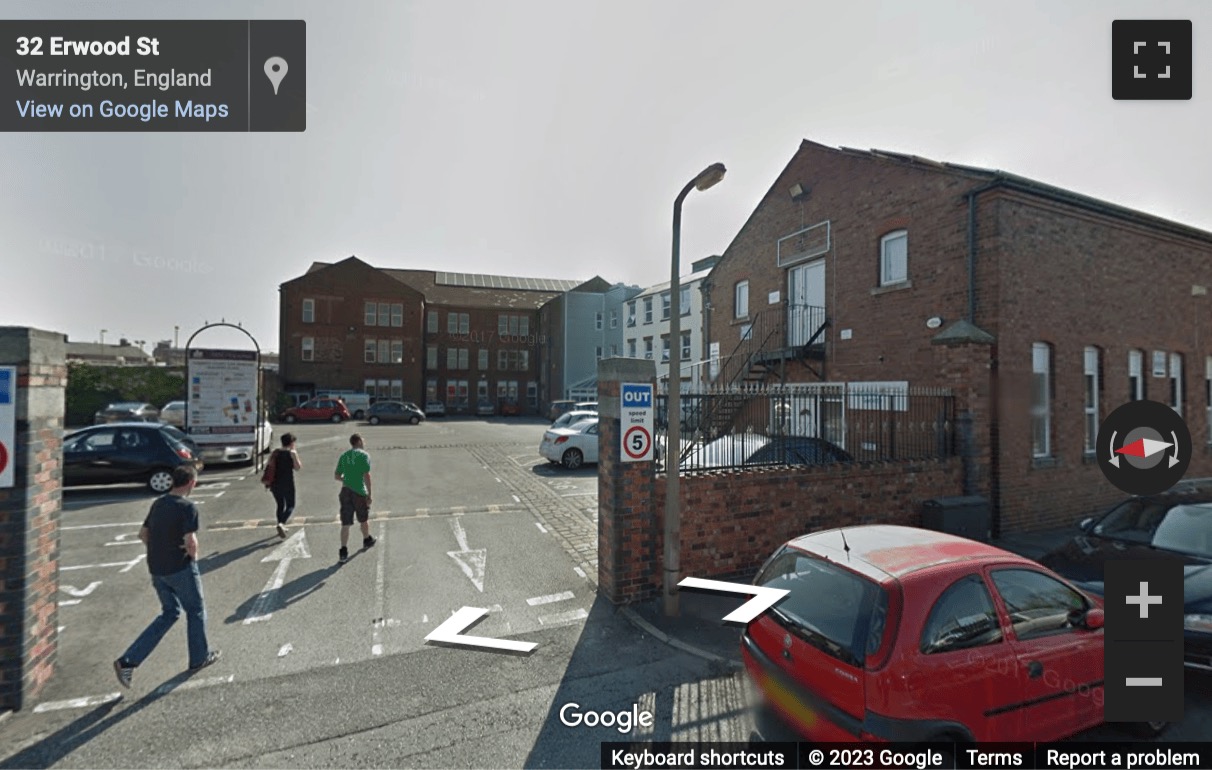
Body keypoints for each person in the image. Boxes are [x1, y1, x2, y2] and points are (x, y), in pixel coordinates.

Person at [113, 464, 220, 688]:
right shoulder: (187, 507)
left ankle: (129, 660)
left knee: (169, 613)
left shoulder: (158, 503)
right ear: (191, 483)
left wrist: (160, 549)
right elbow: (191, 542)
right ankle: (199, 658)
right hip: (180, 567)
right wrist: (192, 558)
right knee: (196, 610)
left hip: (156, 568)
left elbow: (143, 534)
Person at [334, 432, 375, 563]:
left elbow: (337, 475)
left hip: (345, 490)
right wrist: (369, 494)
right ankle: (366, 539)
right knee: (363, 519)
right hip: (359, 491)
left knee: (346, 523)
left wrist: (347, 479)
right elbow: (366, 475)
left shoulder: (344, 455)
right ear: (359, 442)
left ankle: (343, 550)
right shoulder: (364, 455)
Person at [269, 432, 302, 539]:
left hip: (274, 483)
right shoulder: (292, 453)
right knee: (290, 505)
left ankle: (280, 526)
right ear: (292, 443)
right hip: (287, 483)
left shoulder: (275, 452)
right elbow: (297, 467)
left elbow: (269, 465)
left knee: (280, 505)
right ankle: (281, 523)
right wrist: (295, 455)